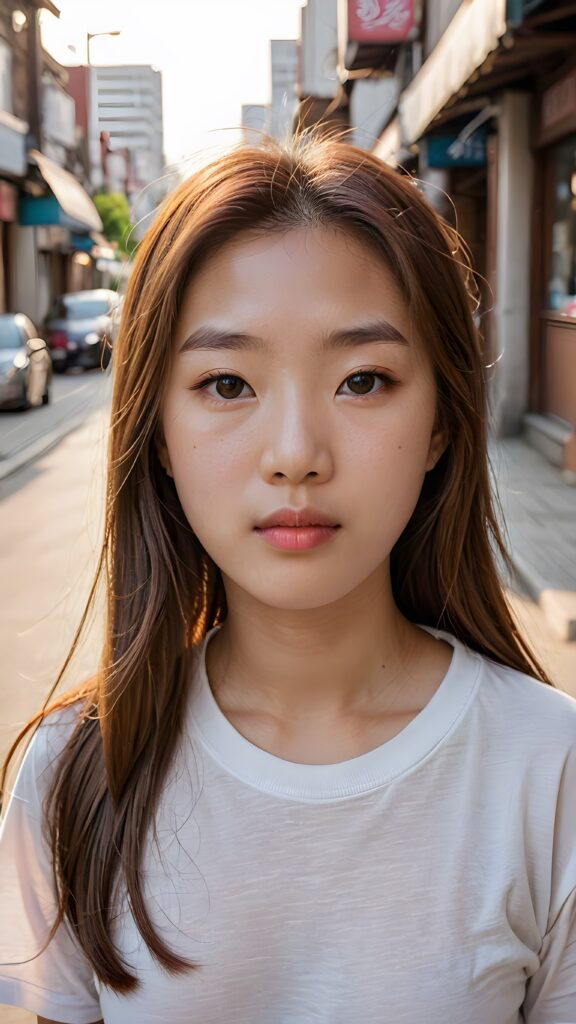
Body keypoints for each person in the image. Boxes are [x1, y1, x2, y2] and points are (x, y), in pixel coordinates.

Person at [0, 132, 575, 1024]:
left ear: (440, 423)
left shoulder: (552, 770)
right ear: (155, 429)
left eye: (363, 379)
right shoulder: (74, 778)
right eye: (227, 384)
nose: (296, 455)